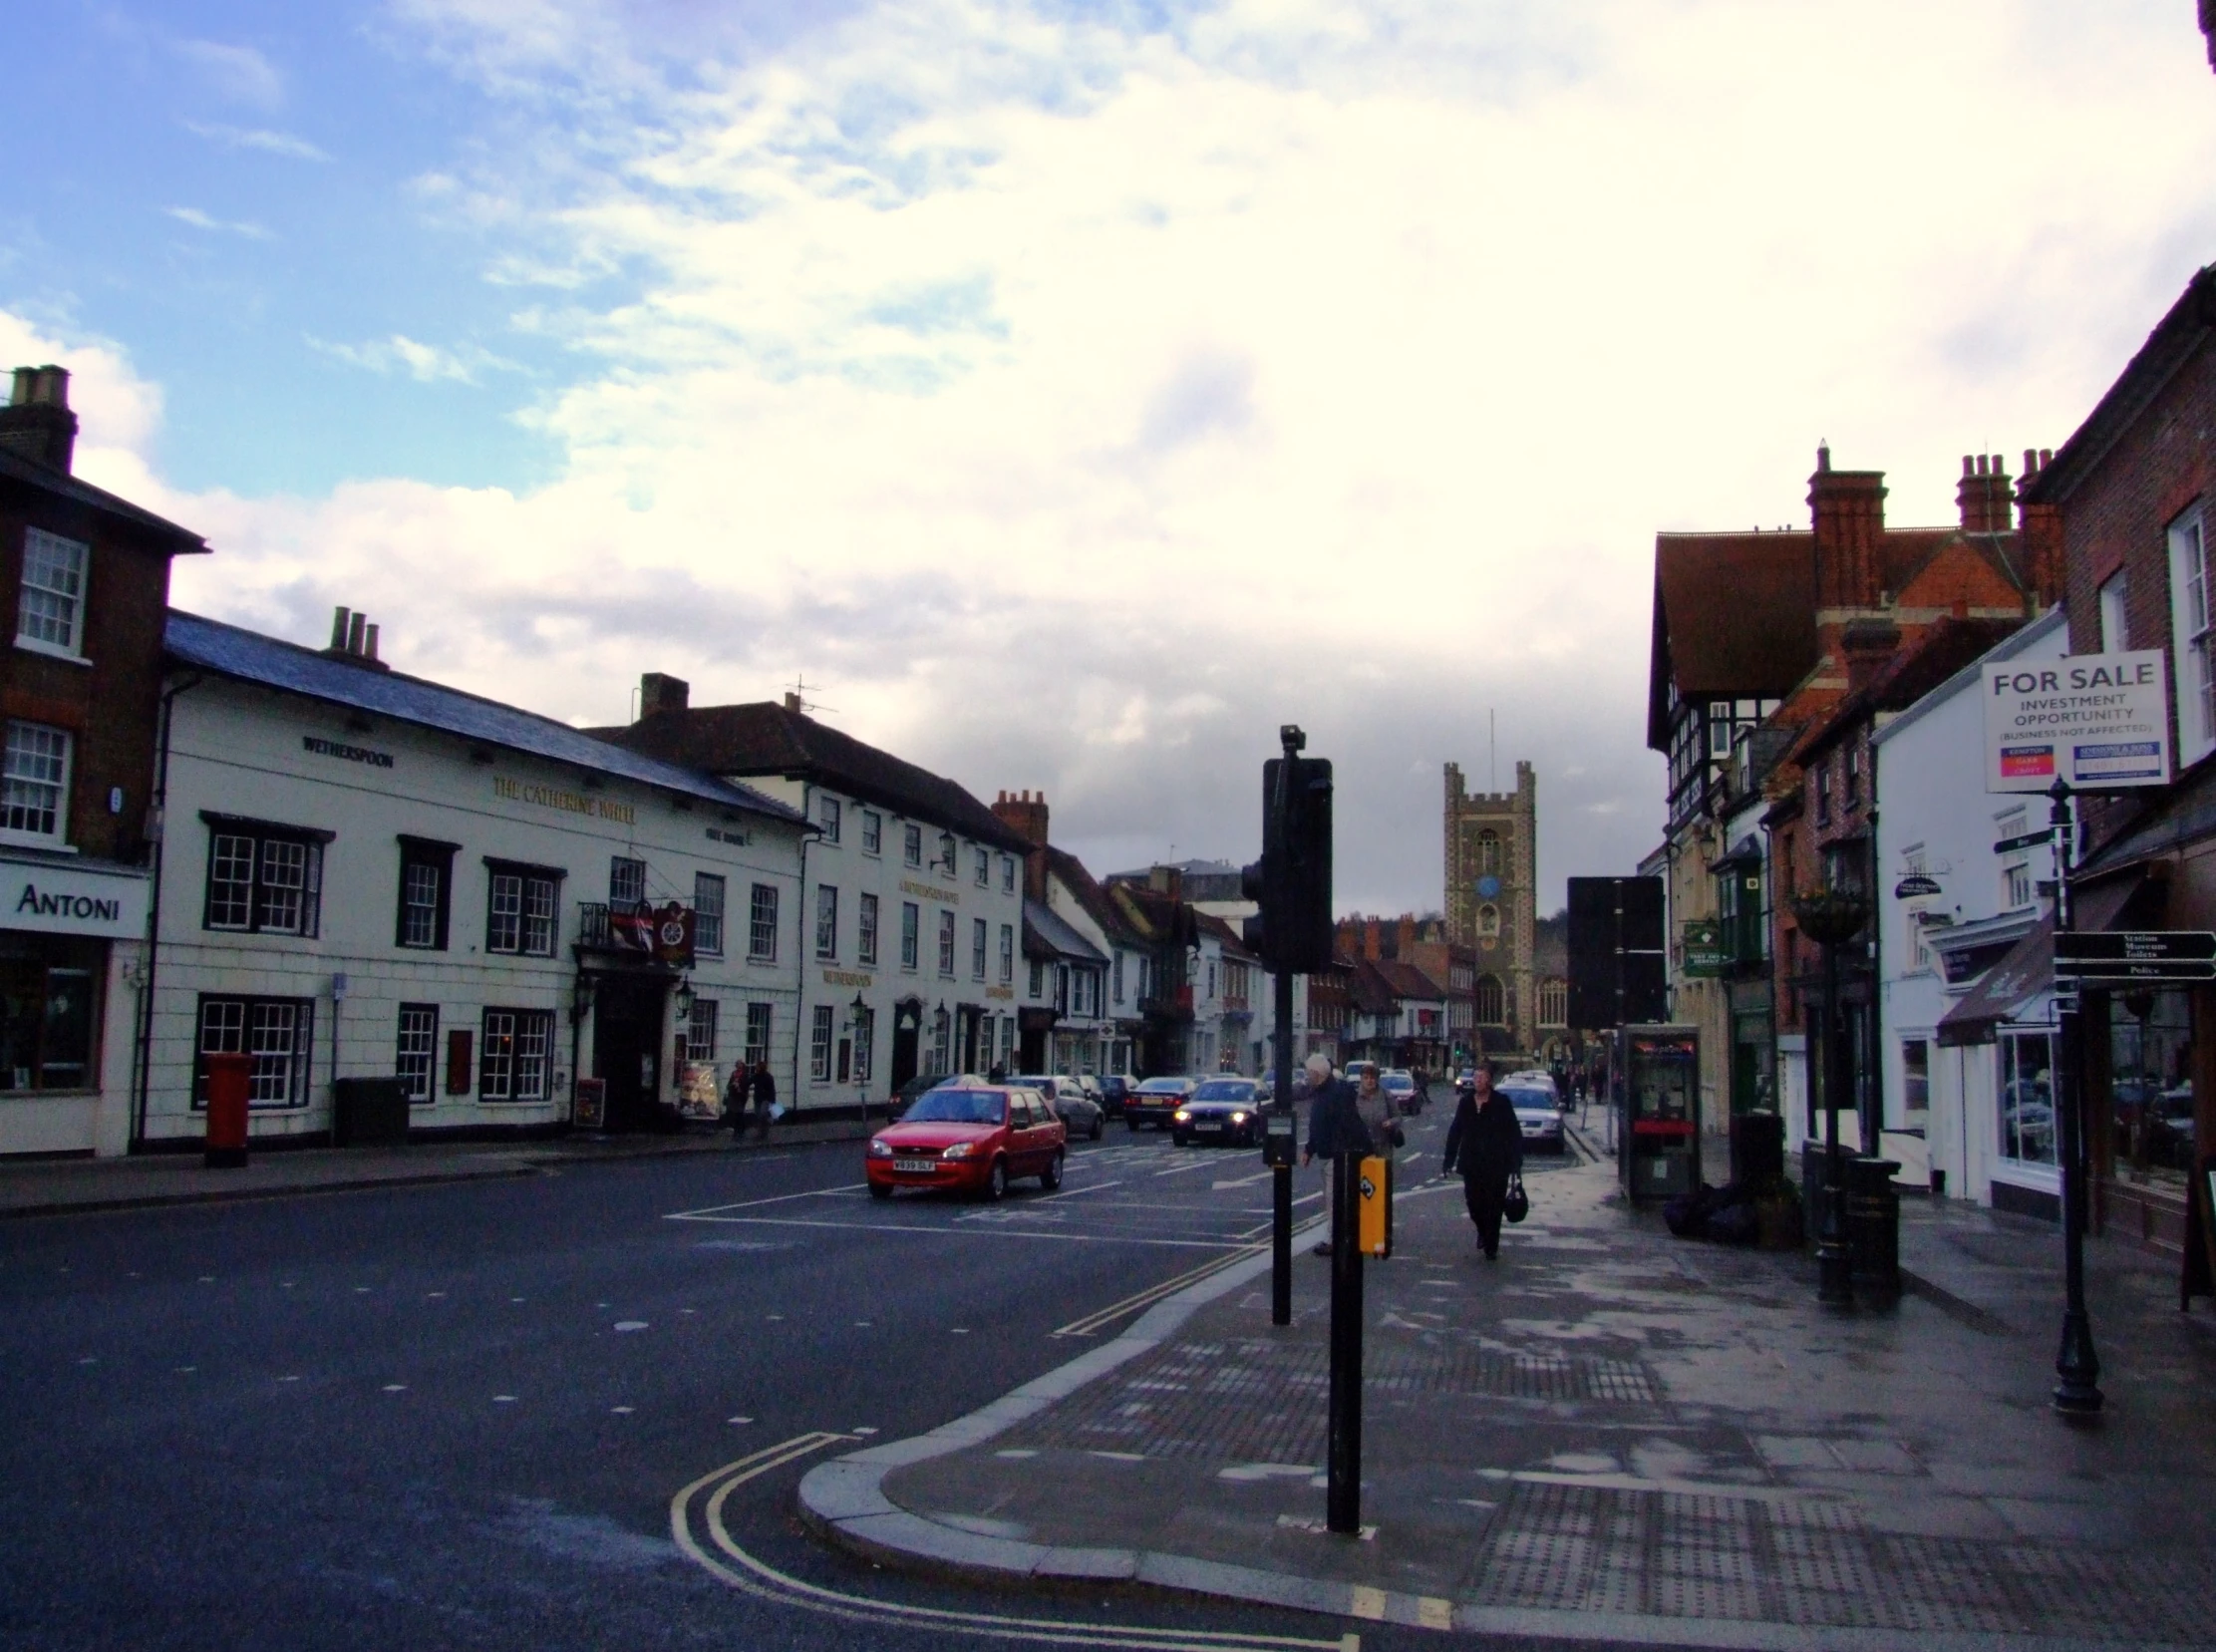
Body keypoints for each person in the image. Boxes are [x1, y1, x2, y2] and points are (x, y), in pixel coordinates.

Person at [1442, 1065, 1522, 1258]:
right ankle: (1482, 1230)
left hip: (1497, 1164)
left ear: (1489, 1081)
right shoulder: (1466, 1102)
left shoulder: (1501, 1103)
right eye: (1475, 1077)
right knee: (1474, 1204)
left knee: (1494, 1206)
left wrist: (1516, 1162)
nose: (1477, 1080)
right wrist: (1448, 1159)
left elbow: (1513, 1132)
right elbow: (1456, 1131)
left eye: (1481, 1077)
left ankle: (1491, 1246)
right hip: (1471, 1163)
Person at [1301, 1053, 1371, 1257]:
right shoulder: (1322, 1092)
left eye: (1308, 1073)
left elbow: (1346, 1124)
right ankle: (1339, 1237)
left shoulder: (1336, 1093)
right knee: (1333, 1199)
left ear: (1316, 1073)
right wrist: (1309, 1149)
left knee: (1334, 1200)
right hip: (1327, 1154)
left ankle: (1334, 1240)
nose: (1307, 1077)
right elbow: (1319, 1125)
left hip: (1337, 1157)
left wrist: (1343, 1150)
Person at [748, 1059, 778, 1141]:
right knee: (758, 1115)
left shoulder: (768, 1077)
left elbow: (772, 1090)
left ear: (761, 1068)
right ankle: (762, 1133)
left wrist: (773, 1101)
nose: (756, 1068)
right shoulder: (756, 1076)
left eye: (757, 1067)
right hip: (757, 1098)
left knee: (762, 1115)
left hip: (766, 1099)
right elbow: (748, 1082)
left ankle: (762, 1133)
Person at [722, 1063, 752, 1140]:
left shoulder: (745, 1075)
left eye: (740, 1066)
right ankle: (736, 1130)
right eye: (737, 1066)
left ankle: (741, 1130)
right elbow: (729, 1084)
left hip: (741, 1096)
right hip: (733, 1096)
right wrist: (732, 1085)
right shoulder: (733, 1073)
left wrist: (739, 1087)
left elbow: (747, 1085)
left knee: (740, 1113)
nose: (738, 1068)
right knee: (733, 1113)